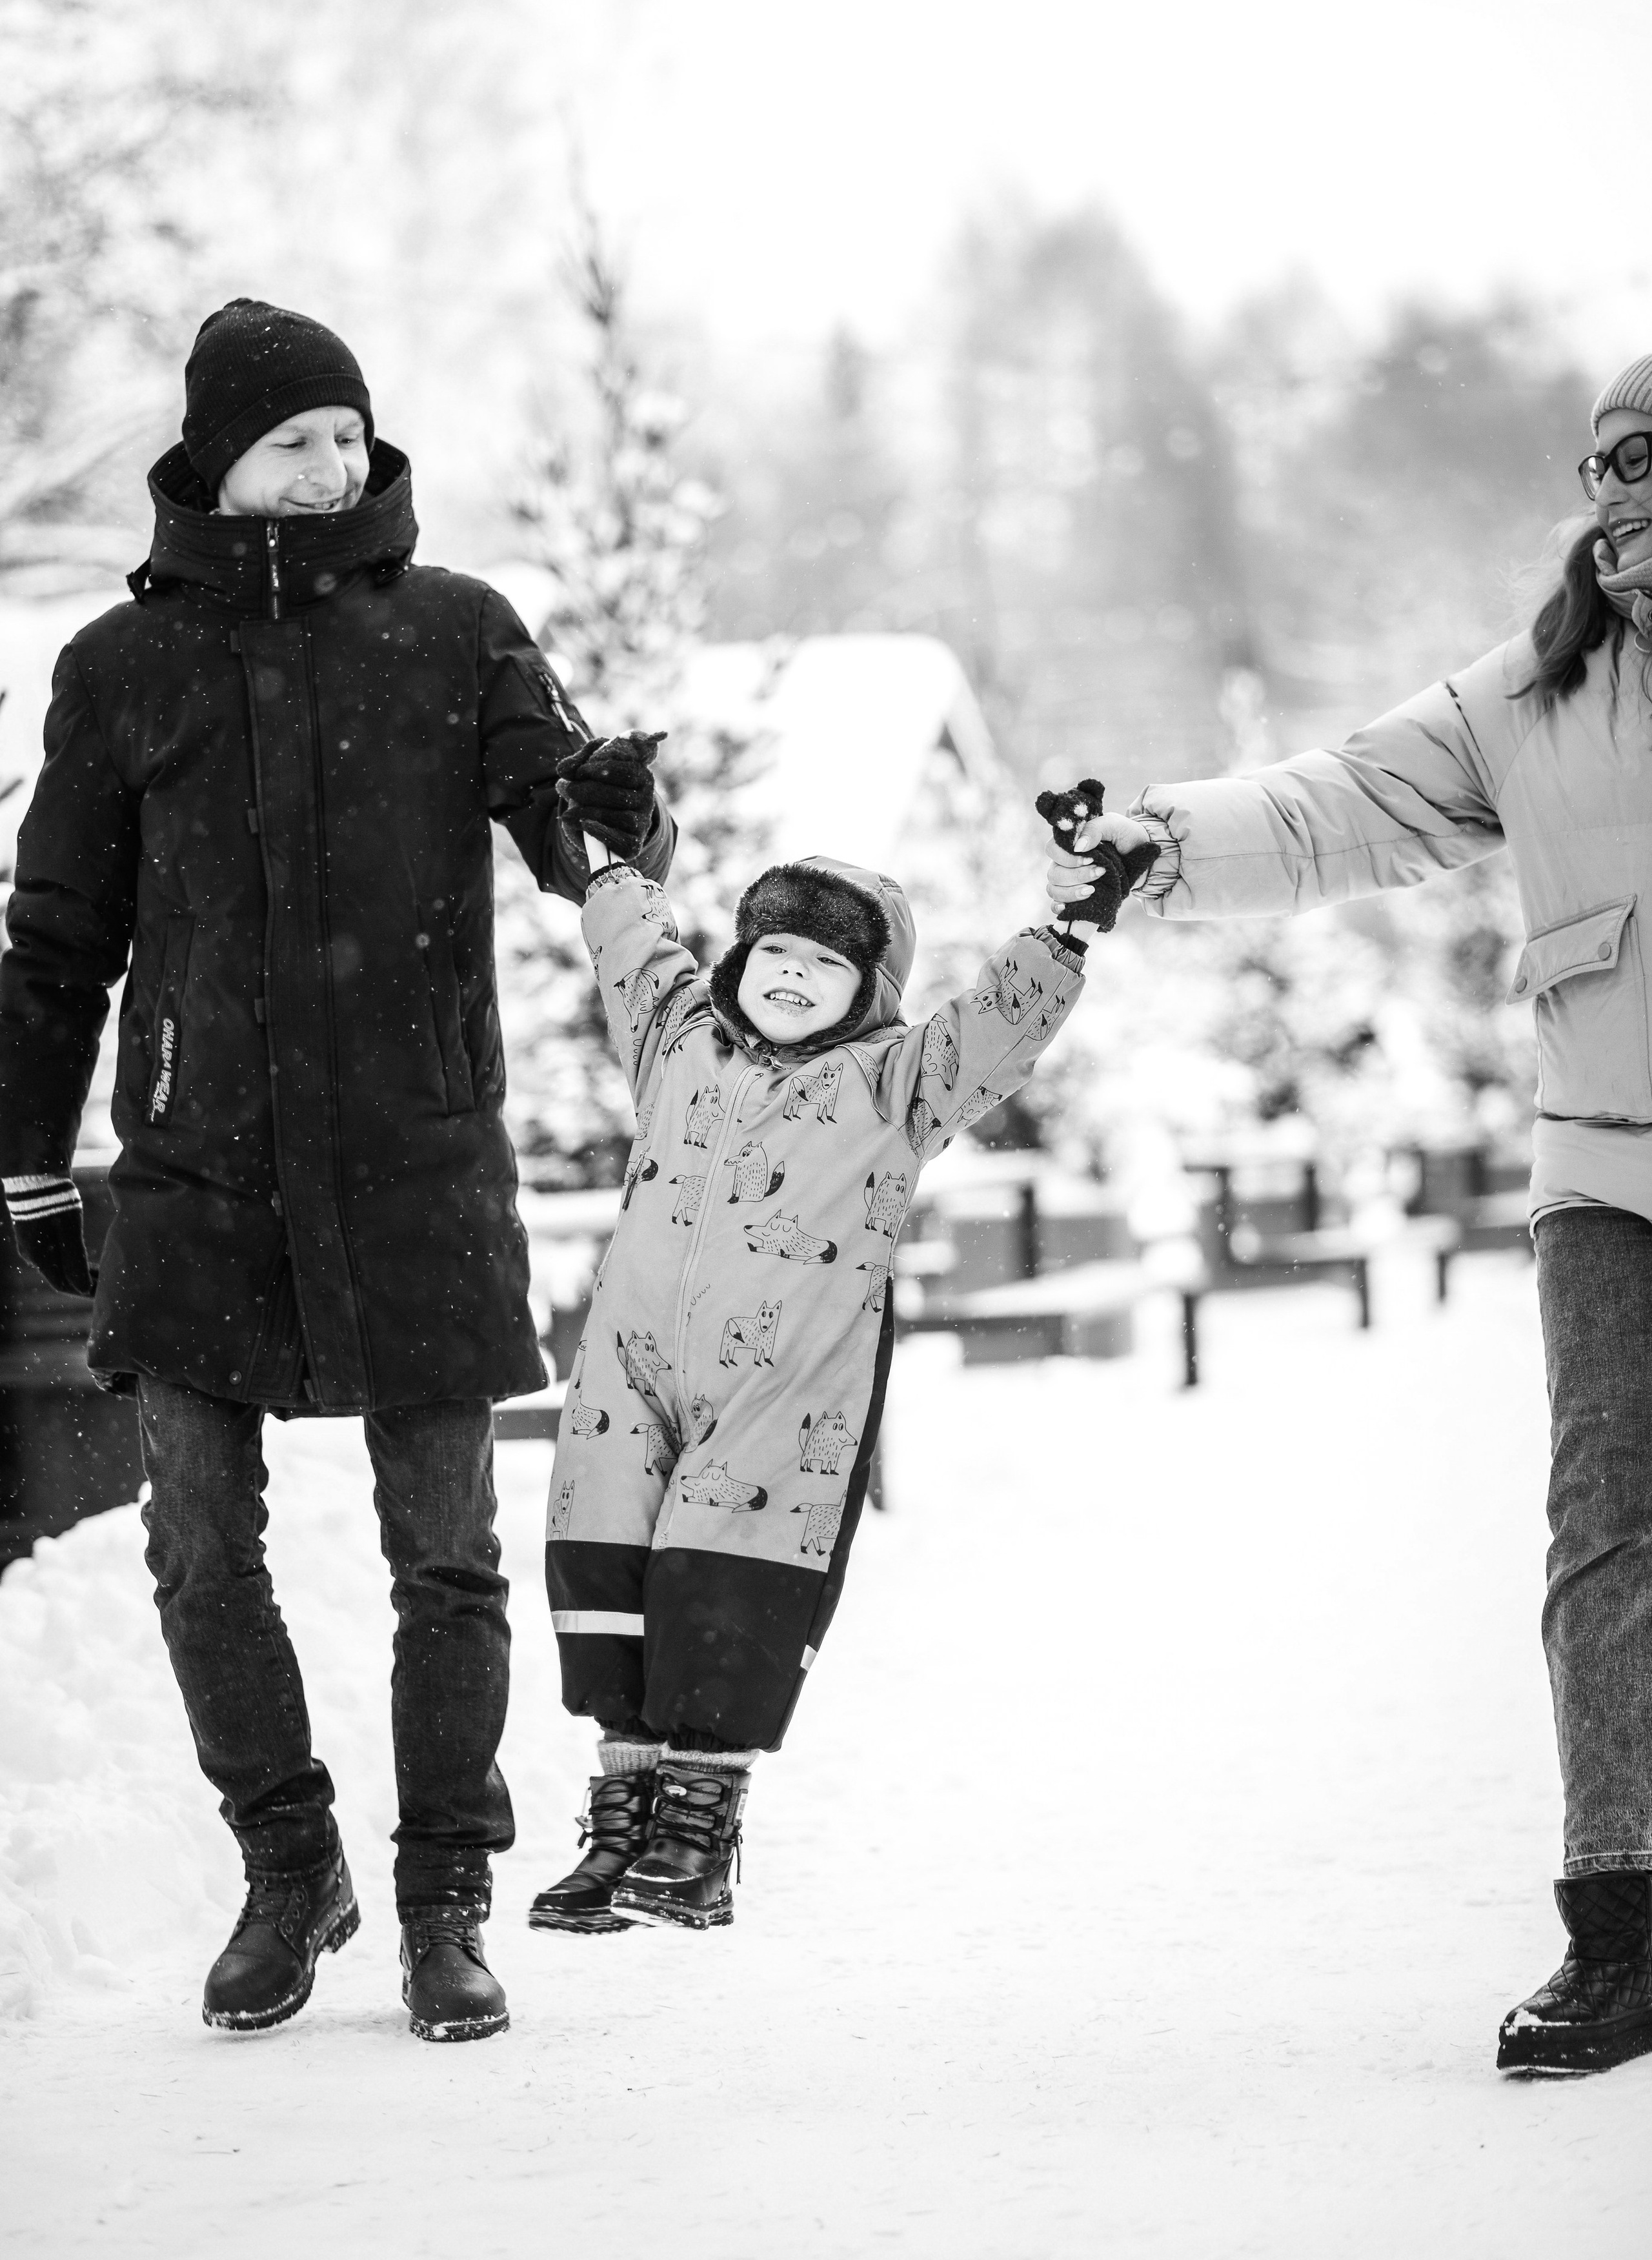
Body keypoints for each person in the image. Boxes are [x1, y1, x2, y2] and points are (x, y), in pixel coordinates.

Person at [0, 298, 674, 2043]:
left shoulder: (458, 634)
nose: (331, 463)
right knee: (198, 1553)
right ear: (218, 457)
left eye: (348, 435)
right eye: (294, 437)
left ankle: (448, 1897)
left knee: (442, 1557)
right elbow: (56, 940)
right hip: (200, 1174)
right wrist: (25, 1160)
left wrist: (608, 806)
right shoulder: (119, 669)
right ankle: (287, 1866)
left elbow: (559, 816)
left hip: (417, 1167)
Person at [1045, 353, 1652, 2079]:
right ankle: (1622, 1923)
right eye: (1616, 463)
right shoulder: (1548, 686)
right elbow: (1346, 802)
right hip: (1609, 1162)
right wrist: (1163, 842)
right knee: (1607, 1526)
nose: (1632, 495)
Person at [529, 757, 1093, 1933]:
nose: (794, 975)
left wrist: (1067, 927)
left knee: (721, 1590)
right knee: (612, 1572)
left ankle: (699, 1832)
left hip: (783, 1395)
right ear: (742, 963)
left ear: (869, 989)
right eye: (777, 953)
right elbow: (634, 951)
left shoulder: (896, 1086)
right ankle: (625, 1821)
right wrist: (618, 859)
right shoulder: (679, 1046)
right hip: (628, 1376)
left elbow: (994, 1030)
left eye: (827, 962)